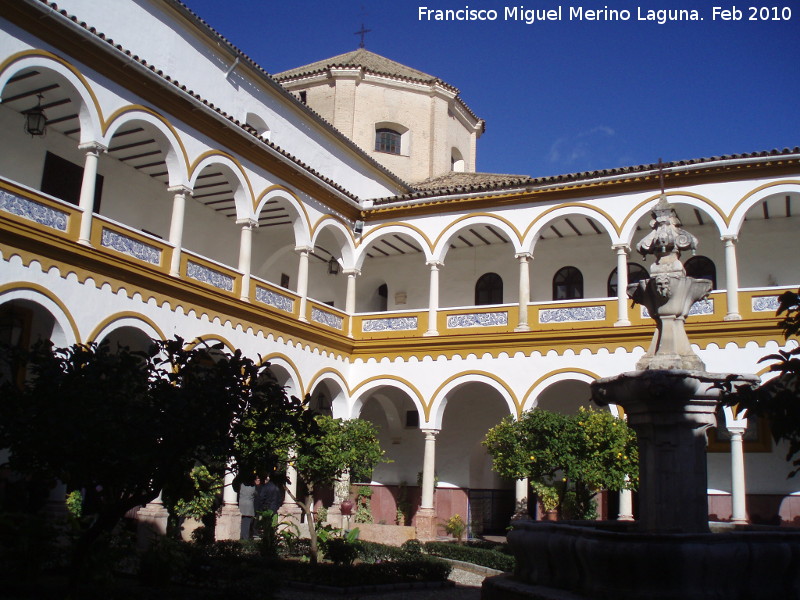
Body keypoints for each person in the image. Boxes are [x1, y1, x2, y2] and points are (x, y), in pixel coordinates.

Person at [238, 475, 257, 540]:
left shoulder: (241, 485)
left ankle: (241, 535)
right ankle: (245, 537)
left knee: (242, 521)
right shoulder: (253, 487)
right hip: (249, 505)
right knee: (247, 522)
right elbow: (256, 494)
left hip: (241, 504)